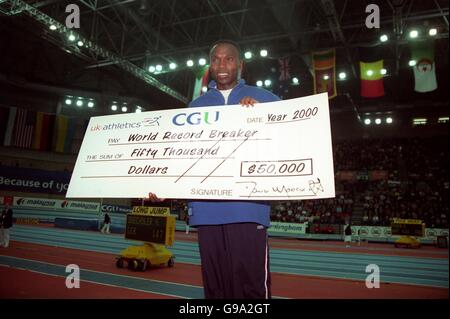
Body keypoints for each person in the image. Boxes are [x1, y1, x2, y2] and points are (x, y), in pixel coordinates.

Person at [149, 40, 280, 299]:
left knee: (251, 288)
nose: (222, 65)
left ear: (240, 64)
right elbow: (182, 155)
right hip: (207, 212)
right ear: (210, 65)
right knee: (216, 290)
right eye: (216, 59)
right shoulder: (194, 107)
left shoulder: (265, 98)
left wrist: (265, 116)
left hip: (247, 209)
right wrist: (165, 185)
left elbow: (292, 132)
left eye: (229, 59)